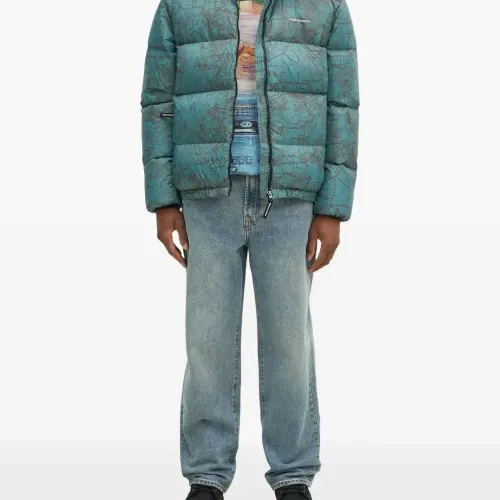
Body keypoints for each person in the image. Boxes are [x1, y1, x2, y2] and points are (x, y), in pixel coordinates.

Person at [140, 0, 359, 498]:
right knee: (207, 339)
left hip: (291, 196)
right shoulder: (179, 5)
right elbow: (158, 101)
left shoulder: (325, 5)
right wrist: (163, 199)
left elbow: (343, 107)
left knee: (288, 340)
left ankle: (293, 473)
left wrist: (332, 207)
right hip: (205, 194)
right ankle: (206, 473)